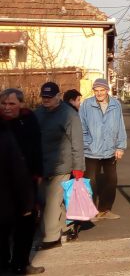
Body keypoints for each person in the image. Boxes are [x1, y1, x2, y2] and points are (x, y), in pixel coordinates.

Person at [34, 82, 85, 251]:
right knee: (46, 201)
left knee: (51, 202)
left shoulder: (69, 114)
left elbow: (77, 142)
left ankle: (51, 238)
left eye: (49, 97)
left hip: (62, 166)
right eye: (44, 97)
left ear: (58, 96)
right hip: (42, 165)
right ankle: (67, 227)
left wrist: (78, 168)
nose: (46, 100)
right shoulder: (39, 112)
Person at [0, 89, 45, 274]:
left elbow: (37, 148)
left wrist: (38, 173)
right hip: (3, 184)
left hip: (26, 181)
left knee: (26, 224)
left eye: (11, 104)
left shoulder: (29, 120)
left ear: (21, 104)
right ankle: (3, 265)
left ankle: (22, 263)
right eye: (3, 104)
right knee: (3, 228)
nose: (7, 108)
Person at [80, 78, 127, 220]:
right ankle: (91, 211)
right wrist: (87, 142)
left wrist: (120, 146)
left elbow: (120, 126)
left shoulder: (115, 104)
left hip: (110, 150)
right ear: (93, 91)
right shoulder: (86, 105)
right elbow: (81, 126)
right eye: (96, 91)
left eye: (102, 90)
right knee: (90, 181)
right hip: (91, 151)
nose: (99, 93)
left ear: (107, 90)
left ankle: (105, 209)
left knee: (111, 180)